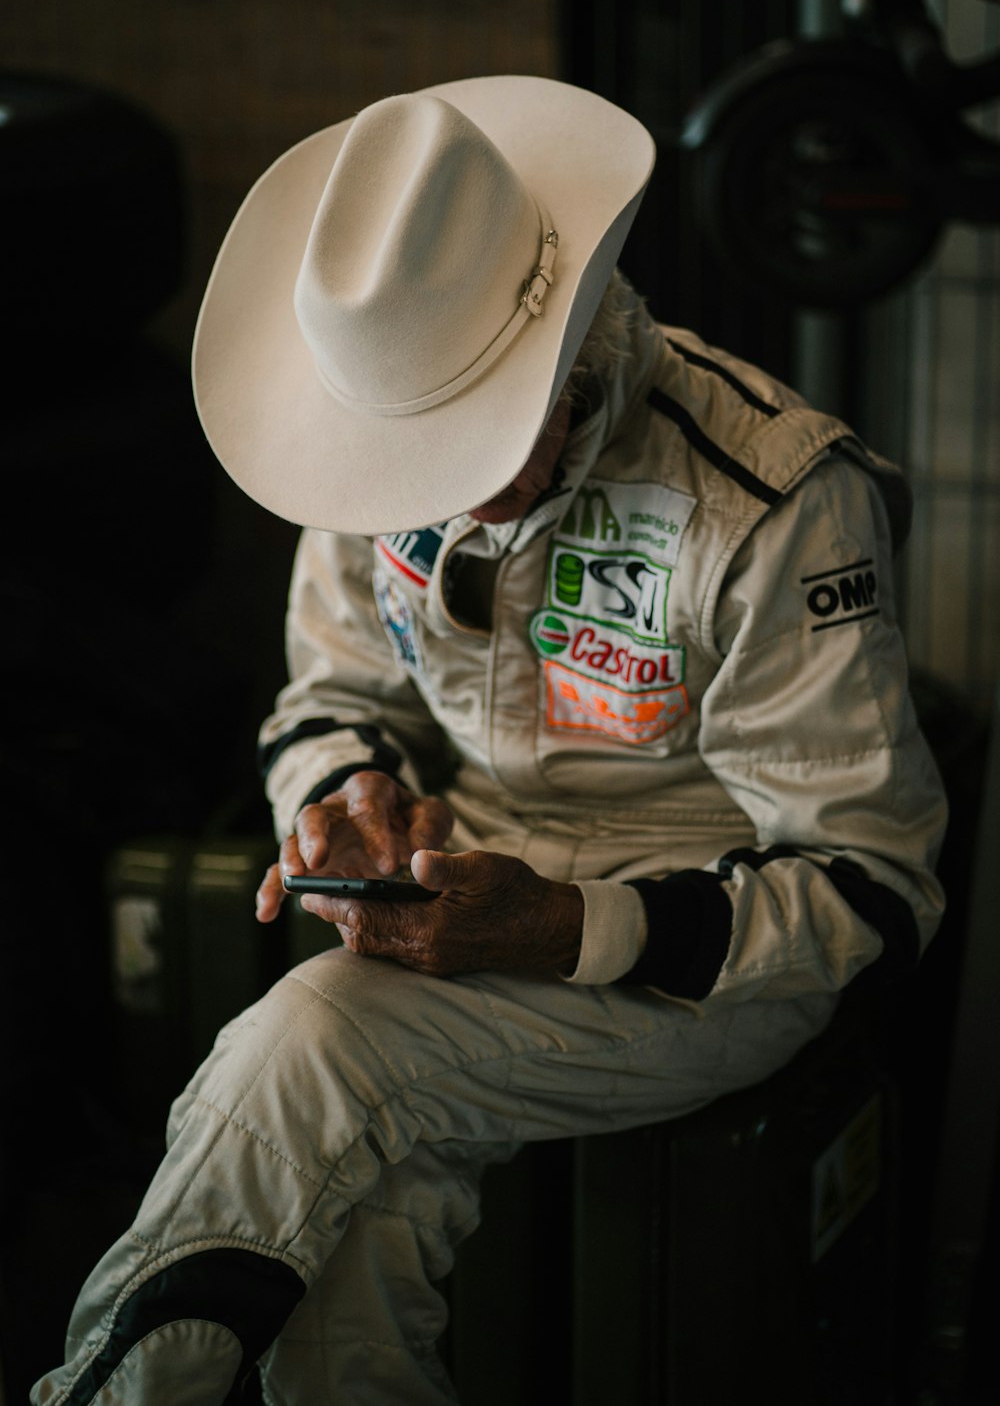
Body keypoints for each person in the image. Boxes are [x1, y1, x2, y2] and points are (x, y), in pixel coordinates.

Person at [33, 75, 947, 1405]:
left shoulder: (771, 504)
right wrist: (344, 800)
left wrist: (575, 931)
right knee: (364, 1195)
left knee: (319, 1042)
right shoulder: (357, 443)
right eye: (421, 447)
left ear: (566, 343)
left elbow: (872, 890)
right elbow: (331, 700)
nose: (446, 487)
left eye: (485, 429)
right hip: (473, 881)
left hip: (715, 946)